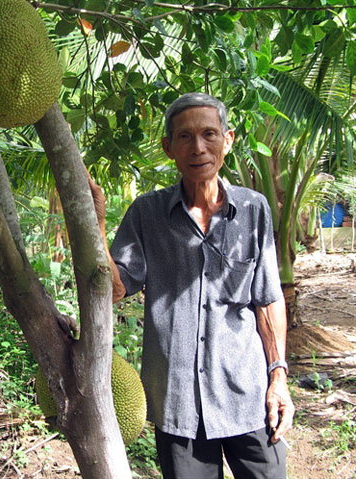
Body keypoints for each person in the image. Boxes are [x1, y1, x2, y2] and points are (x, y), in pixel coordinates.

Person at [89, 92, 295, 478]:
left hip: (247, 395)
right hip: (179, 404)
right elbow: (116, 288)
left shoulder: (253, 210)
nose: (198, 147)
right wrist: (95, 222)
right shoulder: (147, 213)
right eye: (184, 137)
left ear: (228, 140)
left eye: (209, 134)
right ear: (168, 147)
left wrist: (278, 379)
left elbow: (267, 300)